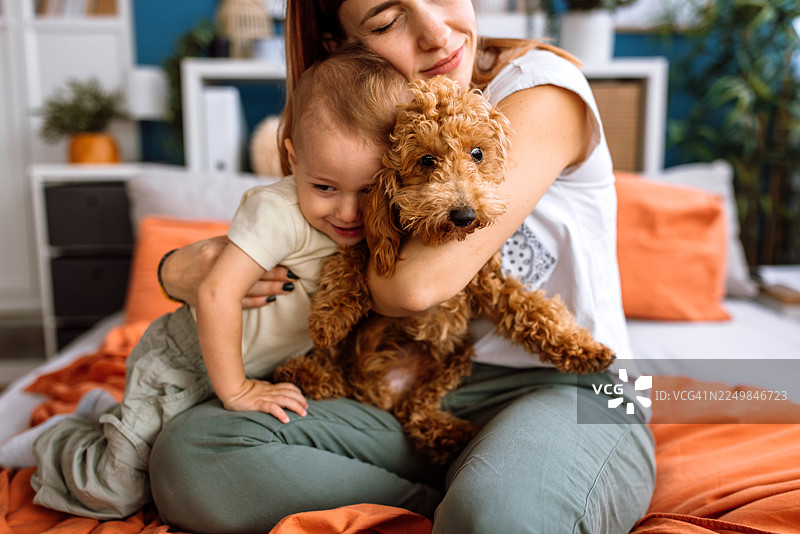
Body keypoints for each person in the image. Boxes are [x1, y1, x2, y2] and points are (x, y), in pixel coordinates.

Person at [150, 0, 657, 532]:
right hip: (403, 397)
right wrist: (175, 268)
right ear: (340, 45)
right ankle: (444, 503)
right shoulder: (360, 134)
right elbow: (299, 256)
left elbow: (411, 287)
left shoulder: (544, 88)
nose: (438, 34)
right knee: (192, 453)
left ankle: (481, 496)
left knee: (498, 517)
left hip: (570, 389)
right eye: (388, 21)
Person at [4, 43, 409, 520]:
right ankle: (58, 439)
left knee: (162, 457)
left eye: (369, 190)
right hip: (187, 359)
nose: (348, 211)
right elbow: (218, 292)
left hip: (254, 369)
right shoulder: (277, 211)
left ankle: (107, 417)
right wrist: (236, 391)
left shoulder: (376, 223)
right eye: (325, 187)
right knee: (117, 489)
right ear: (293, 158)